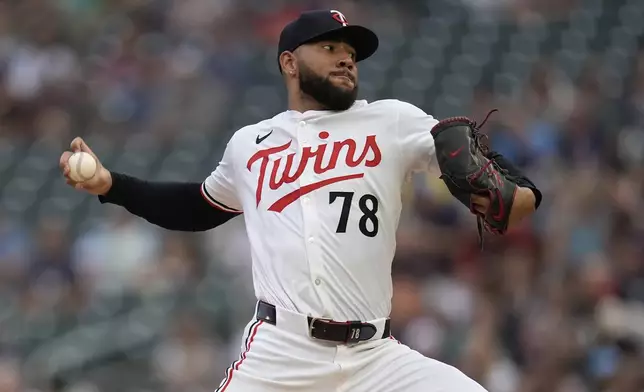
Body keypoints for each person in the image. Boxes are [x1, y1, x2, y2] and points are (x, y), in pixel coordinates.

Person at [59, 9, 541, 392]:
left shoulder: (392, 121)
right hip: (280, 353)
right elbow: (196, 207)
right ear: (289, 62)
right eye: (329, 47)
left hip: (376, 357)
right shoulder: (251, 143)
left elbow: (476, 154)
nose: (345, 58)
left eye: (350, 51)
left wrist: (524, 192)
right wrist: (111, 185)